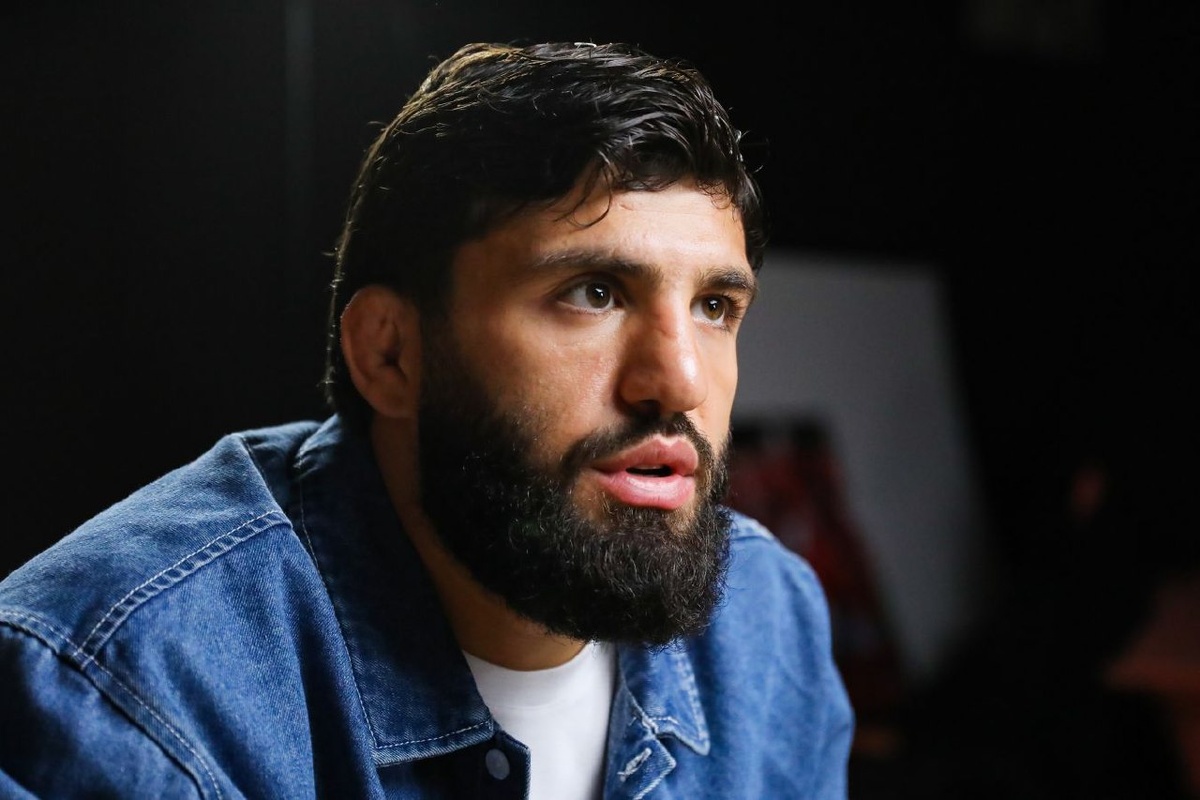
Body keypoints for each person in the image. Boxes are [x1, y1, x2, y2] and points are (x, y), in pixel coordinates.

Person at [0, 41, 854, 799]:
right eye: (593, 293)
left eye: (714, 306)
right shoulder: (118, 692)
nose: (678, 380)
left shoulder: (767, 623)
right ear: (390, 354)